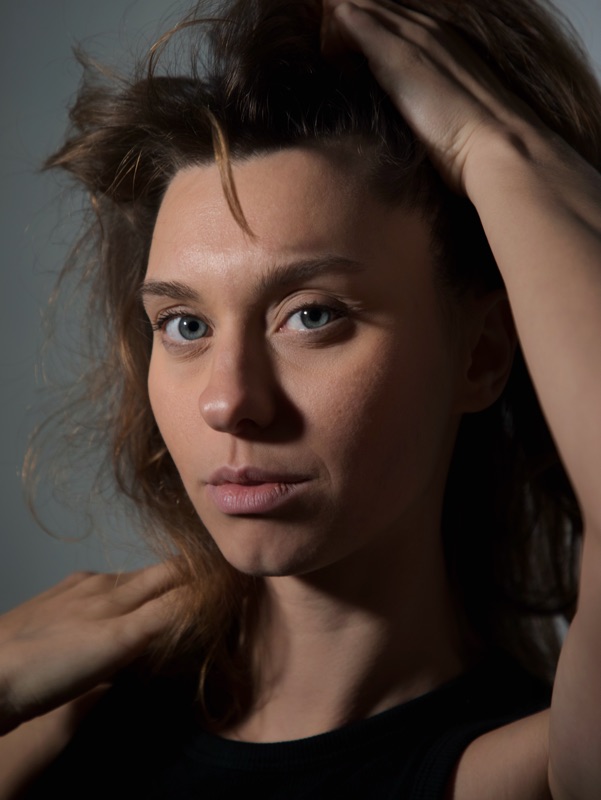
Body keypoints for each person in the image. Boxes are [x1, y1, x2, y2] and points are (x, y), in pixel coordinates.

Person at [1, 0, 600, 796]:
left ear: (481, 353)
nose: (227, 402)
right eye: (184, 325)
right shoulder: (52, 713)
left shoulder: (527, 771)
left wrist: (496, 150)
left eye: (311, 315)